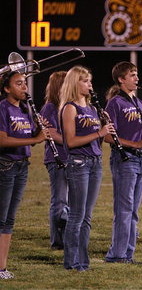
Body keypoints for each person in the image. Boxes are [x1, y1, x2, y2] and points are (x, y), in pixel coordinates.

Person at [104, 61, 142, 264]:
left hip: (139, 160)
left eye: (137, 74)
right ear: (121, 79)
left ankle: (128, 254)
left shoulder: (137, 102)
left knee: (133, 211)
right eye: (132, 75)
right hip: (124, 159)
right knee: (124, 210)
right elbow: (108, 136)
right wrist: (136, 143)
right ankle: (117, 255)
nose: (137, 78)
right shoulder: (115, 103)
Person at [59, 66, 115, 271]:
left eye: (90, 80)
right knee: (76, 215)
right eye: (85, 81)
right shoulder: (70, 108)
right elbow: (71, 142)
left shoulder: (92, 108)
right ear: (75, 83)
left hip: (95, 163)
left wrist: (105, 128)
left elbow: (97, 140)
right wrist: (99, 133)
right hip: (78, 164)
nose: (90, 84)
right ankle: (71, 262)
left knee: (87, 216)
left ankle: (83, 261)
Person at [0, 71, 48, 279]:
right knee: (1, 218)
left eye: (25, 84)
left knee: (9, 219)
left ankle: (2, 268)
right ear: (7, 89)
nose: (24, 88)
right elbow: (2, 140)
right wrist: (35, 140)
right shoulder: (2, 108)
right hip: (5, 165)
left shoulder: (26, 109)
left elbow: (27, 134)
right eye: (18, 84)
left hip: (21, 166)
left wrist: (39, 128)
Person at [40, 71, 69, 250]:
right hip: (57, 159)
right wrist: (74, 139)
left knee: (72, 204)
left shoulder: (70, 106)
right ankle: (57, 242)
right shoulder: (50, 108)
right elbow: (51, 134)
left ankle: (68, 239)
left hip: (74, 159)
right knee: (59, 203)